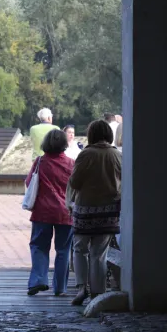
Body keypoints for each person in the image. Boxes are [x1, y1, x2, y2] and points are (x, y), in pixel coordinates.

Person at [68, 120, 122, 306]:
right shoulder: (117, 155)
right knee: (99, 253)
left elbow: (74, 182)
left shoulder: (86, 154)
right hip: (109, 211)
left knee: (80, 249)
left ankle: (82, 287)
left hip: (85, 210)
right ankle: (98, 293)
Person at [25, 129, 75, 296]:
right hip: (65, 212)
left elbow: (29, 182)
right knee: (63, 250)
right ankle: (60, 288)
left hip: (42, 212)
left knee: (39, 246)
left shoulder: (40, 162)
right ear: (64, 144)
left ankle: (38, 280)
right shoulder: (71, 163)